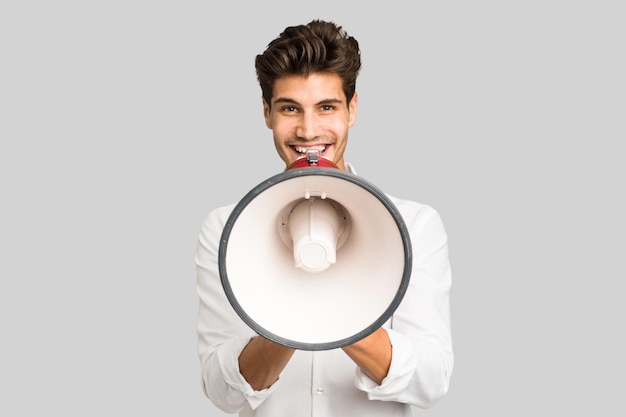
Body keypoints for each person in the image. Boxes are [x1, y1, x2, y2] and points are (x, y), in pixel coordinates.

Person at [196, 19, 453, 416]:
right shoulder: (225, 229)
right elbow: (221, 391)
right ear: (267, 113)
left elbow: (431, 380)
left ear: (352, 109)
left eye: (327, 107)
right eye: (289, 108)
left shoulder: (414, 225)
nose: (308, 129)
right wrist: (295, 310)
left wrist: (334, 307)